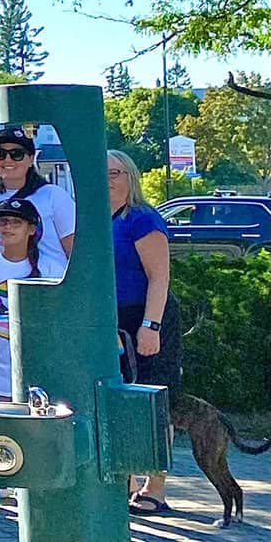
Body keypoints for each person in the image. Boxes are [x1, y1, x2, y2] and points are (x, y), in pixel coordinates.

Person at [0, 197, 69, 513]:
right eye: (2, 222)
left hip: (40, 365)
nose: (7, 227)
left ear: (32, 229)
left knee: (37, 425)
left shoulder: (51, 268)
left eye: (15, 222)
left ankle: (38, 484)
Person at [107, 150, 179, 516]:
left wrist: (150, 327)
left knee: (152, 405)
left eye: (114, 173)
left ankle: (156, 486)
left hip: (146, 317)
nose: (107, 180)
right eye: (100, 173)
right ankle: (126, 480)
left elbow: (159, 277)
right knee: (119, 402)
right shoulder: (97, 219)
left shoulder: (142, 219)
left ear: (130, 177)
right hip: (111, 320)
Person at [0, 125, 77, 333]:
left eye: (16, 154)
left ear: (31, 158)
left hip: (48, 294)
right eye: (0, 154)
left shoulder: (54, 197)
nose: (7, 160)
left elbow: (75, 252)